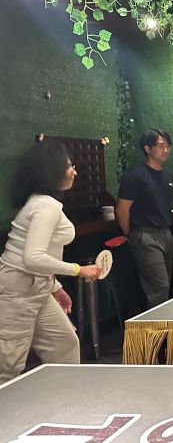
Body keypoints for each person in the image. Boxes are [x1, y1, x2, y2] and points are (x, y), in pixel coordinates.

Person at [0, 141, 101, 383]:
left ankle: (62, 404)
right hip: (17, 290)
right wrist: (78, 270)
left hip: (36, 287)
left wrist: (55, 287)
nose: (74, 171)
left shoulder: (43, 202)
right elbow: (33, 257)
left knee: (64, 345)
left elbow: (43, 252)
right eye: (68, 166)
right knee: (8, 367)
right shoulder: (46, 206)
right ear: (51, 170)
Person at [116, 128, 173, 308]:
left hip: (166, 233)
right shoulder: (135, 175)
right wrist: (132, 234)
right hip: (145, 234)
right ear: (147, 149)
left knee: (164, 286)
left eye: (168, 146)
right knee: (160, 286)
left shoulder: (169, 177)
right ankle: (155, 335)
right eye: (160, 146)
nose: (165, 150)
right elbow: (122, 209)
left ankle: (162, 331)